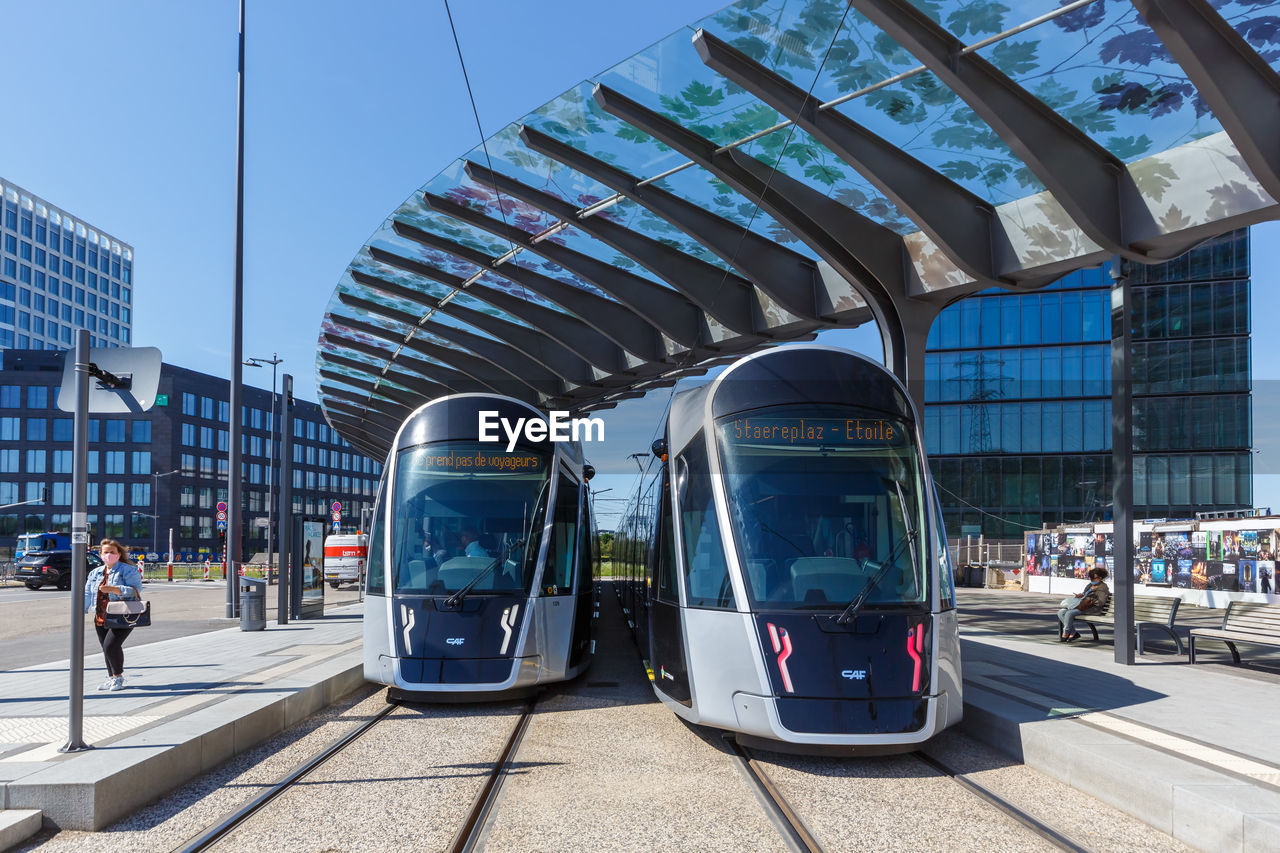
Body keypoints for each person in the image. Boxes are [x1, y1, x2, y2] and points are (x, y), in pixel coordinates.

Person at [83, 539, 144, 691]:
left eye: (112, 552)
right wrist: (81, 610)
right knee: (106, 647)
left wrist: (116, 590)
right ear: (100, 554)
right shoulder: (95, 572)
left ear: (119, 554)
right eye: (106, 552)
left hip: (123, 614)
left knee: (111, 645)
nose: (109, 555)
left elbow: (136, 590)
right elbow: (87, 593)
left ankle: (118, 677)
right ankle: (111, 678)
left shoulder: (128, 570)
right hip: (101, 615)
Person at [1057, 567, 1109, 642]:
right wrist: (1081, 595)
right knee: (1061, 612)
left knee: (1069, 613)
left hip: (1093, 608)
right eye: (1091, 578)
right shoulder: (1090, 585)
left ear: (1100, 578)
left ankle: (1066, 632)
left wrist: (1092, 600)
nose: (1092, 580)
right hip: (1083, 605)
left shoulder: (1103, 587)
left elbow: (1101, 602)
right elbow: (1085, 594)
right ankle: (1073, 632)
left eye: (1093, 578)